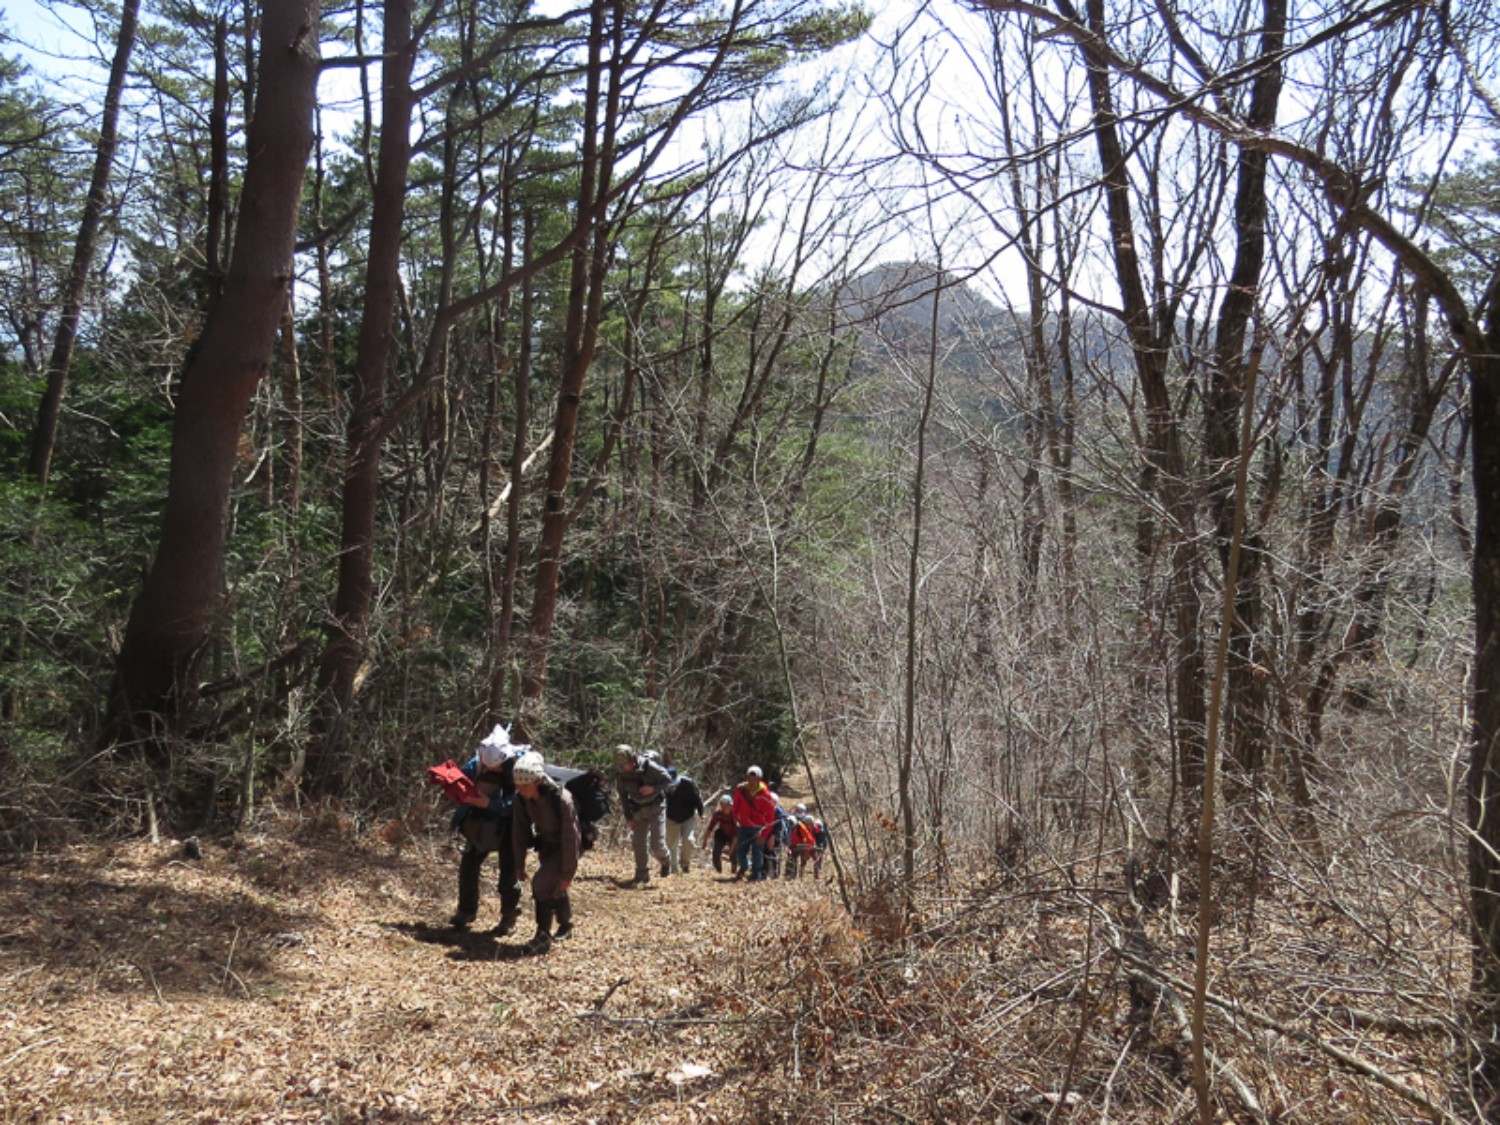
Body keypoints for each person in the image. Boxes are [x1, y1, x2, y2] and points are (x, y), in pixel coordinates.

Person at [448, 725, 524, 934]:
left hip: (508, 826)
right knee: (468, 867)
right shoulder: (478, 761)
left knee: (508, 874)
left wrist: (490, 804)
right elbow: (462, 778)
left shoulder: (519, 767)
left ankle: (509, 916)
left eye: (495, 767)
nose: (489, 769)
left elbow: (519, 803)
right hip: (479, 824)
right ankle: (466, 911)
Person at [511, 750, 581, 954]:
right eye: (518, 786)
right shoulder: (520, 799)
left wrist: (568, 873)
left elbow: (571, 840)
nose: (522, 790)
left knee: (541, 884)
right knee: (552, 885)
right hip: (548, 844)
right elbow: (519, 832)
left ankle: (542, 937)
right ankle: (566, 924)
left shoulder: (563, 800)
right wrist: (519, 864)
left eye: (526, 786)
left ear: (539, 780)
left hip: (567, 846)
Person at [614, 744, 673, 885]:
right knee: (638, 843)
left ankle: (666, 861)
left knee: (657, 845)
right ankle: (642, 875)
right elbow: (623, 796)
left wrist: (653, 788)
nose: (623, 768)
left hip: (656, 807)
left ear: (632, 759)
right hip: (638, 810)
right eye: (620, 764)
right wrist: (628, 817)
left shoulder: (649, 766)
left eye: (625, 764)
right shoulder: (621, 775)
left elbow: (668, 780)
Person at [731, 766, 777, 882]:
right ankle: (744, 866)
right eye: (750, 778)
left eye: (754, 778)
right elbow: (736, 805)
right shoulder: (740, 789)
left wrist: (765, 834)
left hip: (759, 828)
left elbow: (771, 817)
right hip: (744, 825)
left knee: (757, 853)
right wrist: (735, 818)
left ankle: (755, 874)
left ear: (759, 779)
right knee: (741, 851)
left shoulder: (766, 795)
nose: (752, 781)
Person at [664, 767, 704, 874]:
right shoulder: (662, 785)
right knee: (670, 844)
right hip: (671, 818)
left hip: (688, 817)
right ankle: (673, 869)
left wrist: (701, 813)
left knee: (689, 840)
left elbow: (697, 799)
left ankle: (685, 864)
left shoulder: (687, 784)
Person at [704, 795, 738, 875]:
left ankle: (734, 870)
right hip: (722, 833)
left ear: (730, 805)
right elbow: (710, 827)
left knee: (734, 854)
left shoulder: (735, 815)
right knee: (716, 852)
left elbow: (737, 833)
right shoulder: (718, 813)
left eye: (725, 805)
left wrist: (731, 849)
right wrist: (705, 842)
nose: (723, 807)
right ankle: (719, 870)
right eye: (722, 805)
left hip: (733, 835)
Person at [787, 812, 818, 880]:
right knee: (791, 858)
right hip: (794, 845)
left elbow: (810, 840)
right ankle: (791, 875)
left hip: (806, 845)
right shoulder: (789, 827)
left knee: (814, 859)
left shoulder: (801, 827)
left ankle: (814, 874)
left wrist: (807, 851)